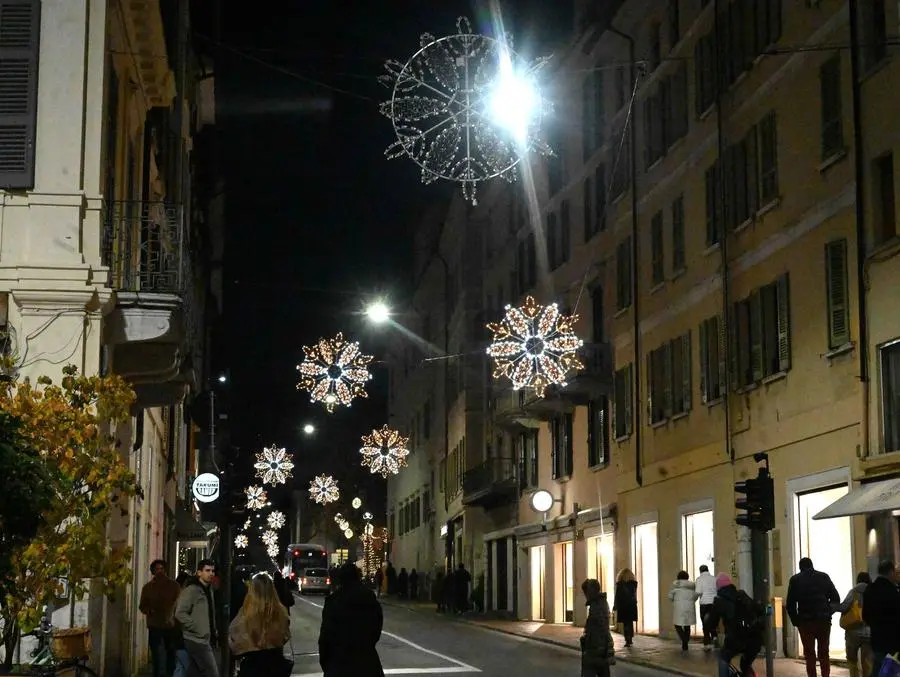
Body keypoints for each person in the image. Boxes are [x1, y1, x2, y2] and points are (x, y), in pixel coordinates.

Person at [318, 563, 384, 677]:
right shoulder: (369, 598)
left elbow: (325, 637)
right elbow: (376, 628)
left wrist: (327, 665)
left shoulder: (334, 601)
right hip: (366, 661)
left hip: (339, 663)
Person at [786, 557, 840, 677]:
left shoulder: (795, 580)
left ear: (800, 568)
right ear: (812, 565)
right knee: (824, 652)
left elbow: (790, 605)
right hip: (823, 621)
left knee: (809, 654)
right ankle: (825, 675)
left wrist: (796, 621)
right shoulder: (824, 577)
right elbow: (836, 598)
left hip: (805, 622)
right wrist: (828, 612)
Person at [229, 574, 291, 676]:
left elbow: (235, 641)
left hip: (252, 666)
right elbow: (285, 636)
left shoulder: (246, 613)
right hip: (276, 666)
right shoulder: (280, 611)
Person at [704, 573, 765, 677]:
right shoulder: (742, 594)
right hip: (755, 638)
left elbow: (711, 623)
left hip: (735, 640)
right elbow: (760, 610)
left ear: (718, 587)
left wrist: (707, 620)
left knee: (723, 658)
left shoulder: (719, 601)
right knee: (745, 663)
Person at [174, 559, 220, 677]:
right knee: (212, 672)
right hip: (196, 639)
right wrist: (196, 627)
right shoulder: (192, 590)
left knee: (194, 672)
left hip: (203, 638)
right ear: (199, 572)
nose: (211, 573)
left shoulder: (209, 589)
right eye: (207, 570)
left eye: (213, 571)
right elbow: (180, 613)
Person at [139, 559, 182, 677]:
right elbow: (142, 605)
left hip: (170, 624)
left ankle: (170, 673)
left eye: (161, 569)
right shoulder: (148, 588)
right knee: (156, 654)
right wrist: (149, 610)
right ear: (153, 571)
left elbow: (180, 603)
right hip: (154, 625)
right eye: (157, 569)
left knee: (171, 652)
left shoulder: (174, 586)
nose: (160, 572)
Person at [862, 560, 900, 677]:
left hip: (877, 638)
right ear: (890, 572)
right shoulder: (893, 591)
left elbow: (865, 615)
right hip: (893, 639)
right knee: (890, 670)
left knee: (879, 667)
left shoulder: (870, 589)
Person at [837, 572, 872, 677]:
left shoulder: (853, 592)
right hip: (869, 632)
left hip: (853, 632)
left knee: (852, 661)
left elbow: (843, 607)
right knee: (867, 663)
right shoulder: (873, 592)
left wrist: (834, 607)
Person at [580, 579, 616, 677]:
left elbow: (601, 628)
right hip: (598, 649)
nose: (585, 595)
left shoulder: (597, 606)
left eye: (586, 592)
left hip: (595, 649)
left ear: (590, 592)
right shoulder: (599, 603)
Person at [668, 570, 700, 653]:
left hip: (679, 608)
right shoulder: (692, 587)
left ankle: (684, 640)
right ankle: (685, 642)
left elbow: (670, 597)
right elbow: (695, 597)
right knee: (687, 625)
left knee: (677, 625)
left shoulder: (675, 586)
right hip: (689, 608)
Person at [613, 568, 638, 647]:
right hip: (632, 605)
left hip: (623, 605)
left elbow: (617, 596)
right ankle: (630, 638)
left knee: (625, 623)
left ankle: (627, 639)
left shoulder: (620, 584)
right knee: (629, 622)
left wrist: (615, 606)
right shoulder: (633, 584)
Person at [696, 565, 719, 651]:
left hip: (704, 603)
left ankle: (707, 644)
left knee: (705, 623)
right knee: (712, 621)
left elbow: (698, 592)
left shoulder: (699, 579)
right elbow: (717, 590)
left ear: (700, 571)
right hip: (714, 603)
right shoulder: (714, 578)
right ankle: (715, 637)